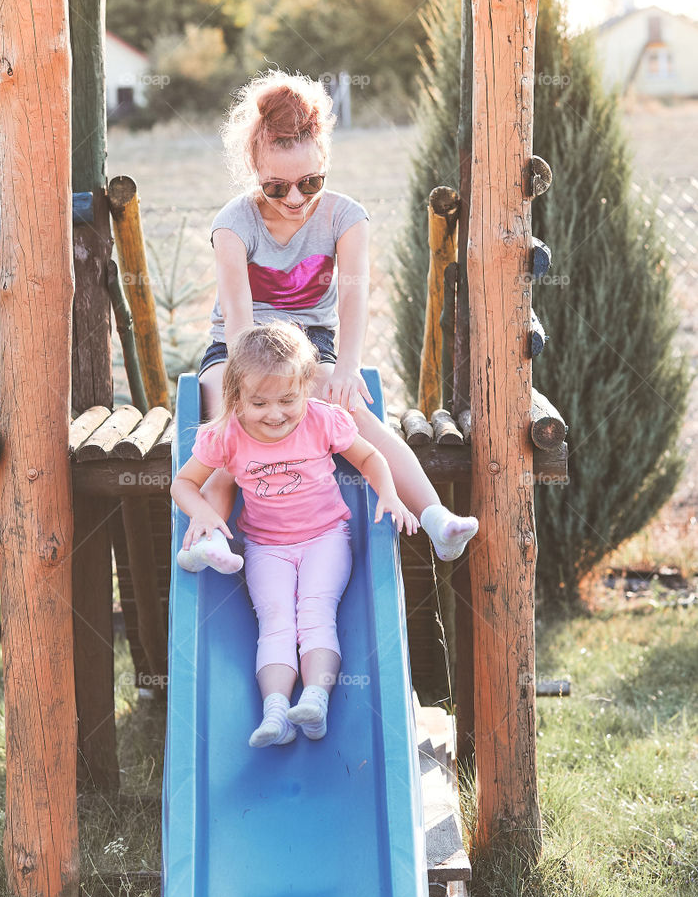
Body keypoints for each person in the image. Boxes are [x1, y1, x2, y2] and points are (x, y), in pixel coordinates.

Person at [177, 67, 479, 575]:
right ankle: (208, 537)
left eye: (310, 182)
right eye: (276, 187)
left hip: (312, 344)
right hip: (236, 348)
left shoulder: (346, 217)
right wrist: (249, 388)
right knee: (229, 424)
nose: (295, 199)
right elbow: (237, 321)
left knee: (355, 416)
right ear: (254, 170)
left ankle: (435, 518)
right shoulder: (233, 223)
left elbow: (354, 300)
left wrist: (345, 369)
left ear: (326, 163)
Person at [170, 322, 417, 747]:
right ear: (237, 397)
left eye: (287, 399)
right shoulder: (227, 434)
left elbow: (371, 456)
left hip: (326, 539)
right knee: (277, 623)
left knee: (315, 614)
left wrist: (390, 494)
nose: (275, 413)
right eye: (259, 402)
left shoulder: (322, 420)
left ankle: (316, 701)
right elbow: (183, 484)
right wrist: (203, 515)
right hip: (266, 547)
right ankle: (276, 713)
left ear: (306, 388)